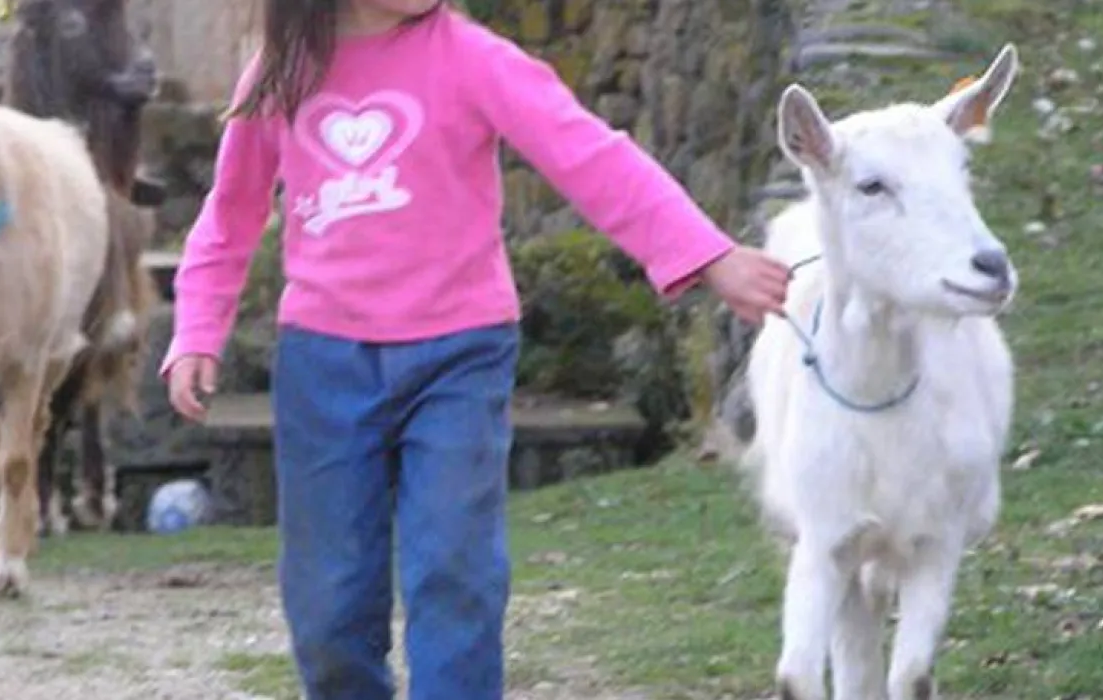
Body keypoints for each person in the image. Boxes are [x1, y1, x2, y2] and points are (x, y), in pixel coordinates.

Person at [160, 1, 790, 698]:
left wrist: (708, 255)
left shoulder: (472, 57)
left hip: (458, 354)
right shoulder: (280, 73)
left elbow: (589, 154)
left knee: (453, 569)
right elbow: (230, 214)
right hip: (323, 362)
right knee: (328, 596)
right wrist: (197, 329)